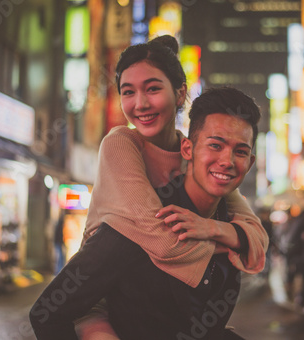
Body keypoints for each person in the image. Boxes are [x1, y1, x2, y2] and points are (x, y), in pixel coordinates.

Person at [72, 36, 267, 338]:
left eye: (152, 89)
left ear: (180, 94)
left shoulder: (200, 155)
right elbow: (163, 242)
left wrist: (211, 228)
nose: (140, 104)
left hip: (152, 303)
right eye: (128, 92)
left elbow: (256, 235)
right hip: (99, 302)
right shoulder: (122, 143)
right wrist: (231, 243)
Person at [30, 86, 261, 339]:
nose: (227, 161)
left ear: (250, 162)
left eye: (240, 151)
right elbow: (48, 313)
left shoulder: (232, 223)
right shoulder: (143, 221)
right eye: (215, 145)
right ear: (187, 149)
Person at [53, 210, 66, 275]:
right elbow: (60, 234)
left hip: (58, 242)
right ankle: (58, 271)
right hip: (59, 242)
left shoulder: (58, 223)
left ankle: (58, 271)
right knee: (59, 258)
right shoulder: (60, 223)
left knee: (59, 257)